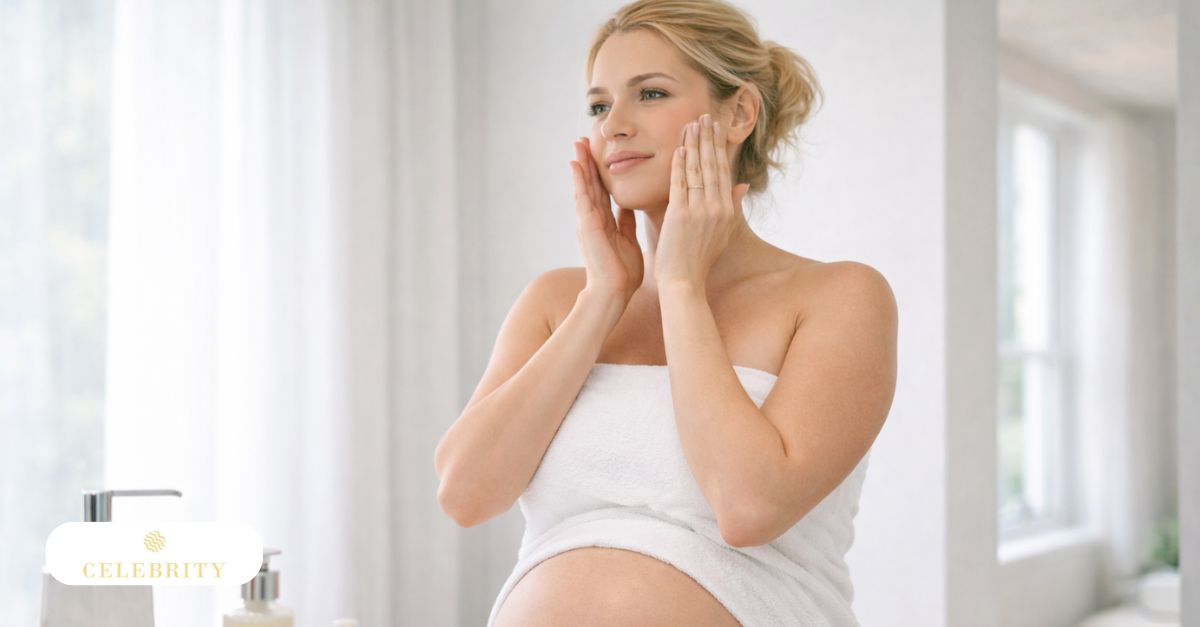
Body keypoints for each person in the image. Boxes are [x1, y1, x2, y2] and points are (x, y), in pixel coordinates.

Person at [433, 1, 898, 625]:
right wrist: (603, 298)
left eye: (649, 93)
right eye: (599, 106)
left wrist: (680, 286)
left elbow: (747, 507)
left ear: (739, 113)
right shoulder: (557, 301)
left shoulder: (840, 297)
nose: (613, 126)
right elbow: (465, 494)